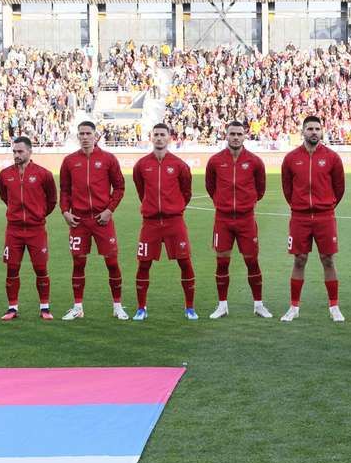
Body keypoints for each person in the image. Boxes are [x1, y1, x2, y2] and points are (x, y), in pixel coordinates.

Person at [280, 116, 345, 322]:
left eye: (317, 128)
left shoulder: (332, 157)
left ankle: (334, 307)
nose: (314, 132)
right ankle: (294, 307)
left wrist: (326, 204)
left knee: (327, 259)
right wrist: (299, 205)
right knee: (299, 260)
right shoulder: (291, 158)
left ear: (322, 131)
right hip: (300, 217)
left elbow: (339, 188)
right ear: (303, 131)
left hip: (325, 216)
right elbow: (287, 189)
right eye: (310, 128)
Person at [59, 121, 127, 320]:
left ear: (96, 136)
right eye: (81, 133)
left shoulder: (108, 159)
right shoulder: (70, 161)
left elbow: (120, 188)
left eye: (88, 133)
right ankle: (78, 307)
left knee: (112, 263)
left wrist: (109, 210)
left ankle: (117, 306)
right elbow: (64, 190)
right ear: (77, 136)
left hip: (102, 220)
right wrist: (65, 212)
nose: (85, 136)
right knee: (78, 263)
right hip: (79, 221)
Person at [205, 121, 270, 319]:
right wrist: (222, 203)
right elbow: (210, 187)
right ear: (226, 135)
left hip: (246, 220)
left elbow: (260, 190)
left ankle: (258, 305)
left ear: (244, 136)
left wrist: (245, 204)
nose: (235, 137)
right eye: (232, 133)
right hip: (223, 220)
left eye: (239, 134)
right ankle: (222, 305)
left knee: (252, 262)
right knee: (222, 263)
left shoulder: (255, 161)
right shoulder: (215, 161)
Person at [132, 123, 197, 320]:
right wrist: (153, 207)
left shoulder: (179, 165)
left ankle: (190, 308)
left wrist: (173, 208)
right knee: (144, 264)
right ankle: (141, 308)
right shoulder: (141, 165)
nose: (159, 138)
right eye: (156, 135)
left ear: (169, 138)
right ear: (151, 138)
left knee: (185, 262)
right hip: (150, 223)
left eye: (163, 135)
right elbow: (141, 191)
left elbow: (186, 192)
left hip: (174, 222)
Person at [0, 136, 57, 320]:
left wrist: (37, 215)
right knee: (12, 269)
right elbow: (4, 197)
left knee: (40, 269)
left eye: (20, 151)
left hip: (36, 230)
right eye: (14, 151)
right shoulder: (4, 174)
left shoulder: (43, 174)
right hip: (13, 230)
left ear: (30, 152)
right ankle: (12, 308)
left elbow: (52, 200)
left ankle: (45, 308)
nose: (16, 155)